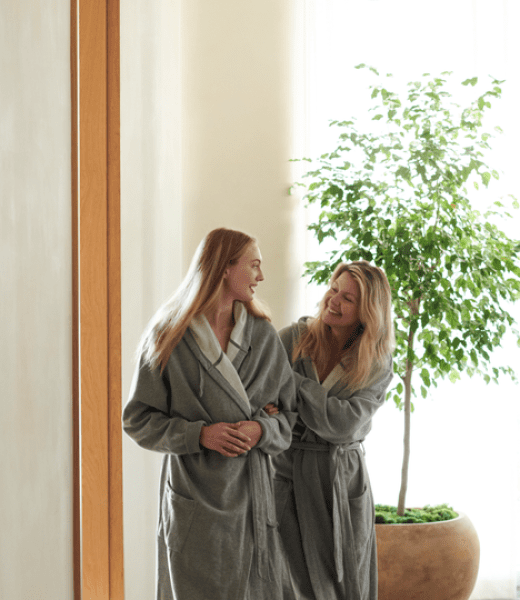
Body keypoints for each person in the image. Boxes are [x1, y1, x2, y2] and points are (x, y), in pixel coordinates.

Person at [123, 228, 298, 600]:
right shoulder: (167, 336)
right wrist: (199, 435)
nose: (260, 277)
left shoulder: (263, 337)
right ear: (224, 267)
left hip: (252, 495)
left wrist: (261, 430)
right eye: (253, 265)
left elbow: (288, 418)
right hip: (194, 498)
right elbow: (137, 418)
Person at [268, 261, 395, 600]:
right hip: (288, 474)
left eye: (348, 299)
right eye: (333, 290)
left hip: (341, 478)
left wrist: (291, 385)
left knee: (345, 585)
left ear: (367, 312)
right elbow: (260, 396)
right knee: (288, 583)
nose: (333, 301)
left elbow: (345, 424)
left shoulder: (376, 362)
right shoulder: (293, 338)